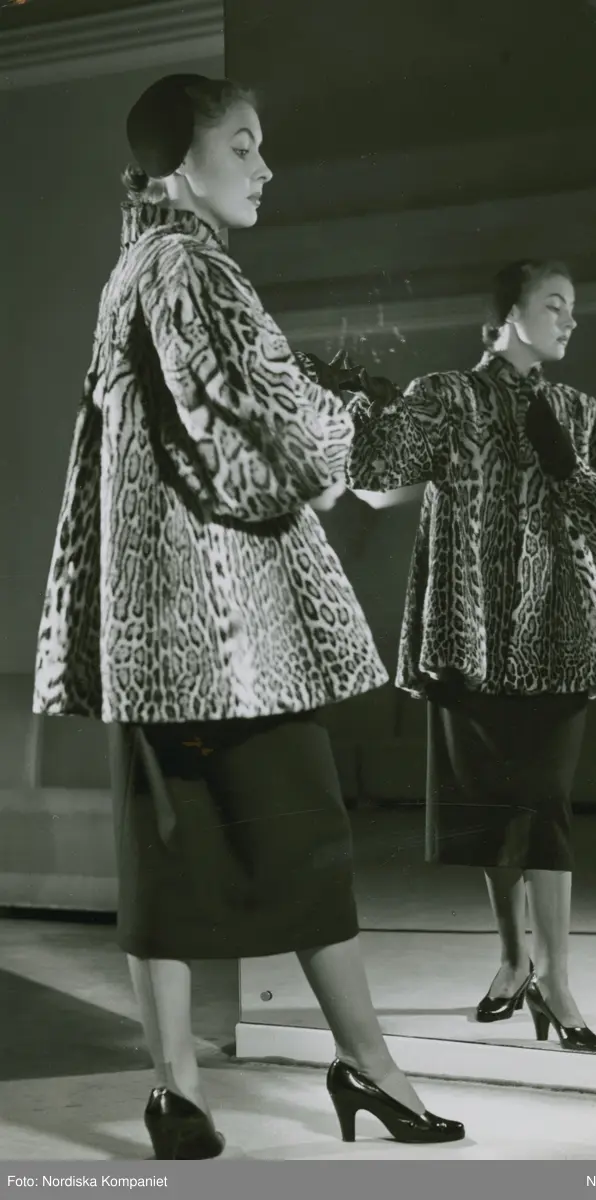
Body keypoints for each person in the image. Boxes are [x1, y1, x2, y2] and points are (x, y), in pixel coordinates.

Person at [31, 74, 464, 1158]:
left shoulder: (131, 268)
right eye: (243, 143)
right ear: (183, 161)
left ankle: (175, 1092)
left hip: (148, 639)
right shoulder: (191, 265)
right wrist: (368, 432)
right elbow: (263, 424)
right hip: (228, 637)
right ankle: (370, 1070)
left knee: (164, 854)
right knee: (307, 841)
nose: (264, 167)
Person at [343, 259, 596, 1055]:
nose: (569, 319)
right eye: (554, 304)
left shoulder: (583, 414)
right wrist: (363, 404)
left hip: (561, 640)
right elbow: (372, 470)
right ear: (509, 314)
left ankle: (557, 980)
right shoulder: (447, 396)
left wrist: (571, 471)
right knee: (494, 812)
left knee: (545, 809)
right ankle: (515, 962)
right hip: (470, 640)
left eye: (573, 306)